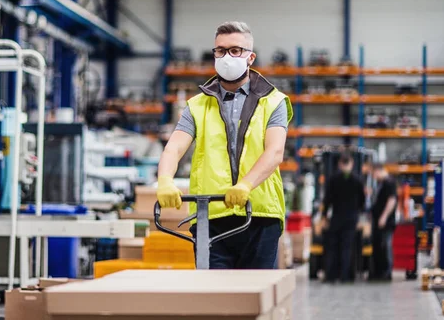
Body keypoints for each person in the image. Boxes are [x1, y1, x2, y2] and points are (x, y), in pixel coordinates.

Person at [155, 21, 293, 269]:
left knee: (254, 299)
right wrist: (165, 180)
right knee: (214, 300)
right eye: (220, 50)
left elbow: (275, 152)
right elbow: (173, 148)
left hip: (259, 215)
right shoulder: (197, 105)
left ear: (250, 57)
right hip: (212, 217)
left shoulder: (273, 102)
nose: (227, 56)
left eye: (235, 50)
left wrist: (245, 185)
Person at [322, 154, 365, 283]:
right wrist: (359, 215)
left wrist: (324, 216)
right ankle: (345, 276)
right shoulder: (357, 180)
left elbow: (327, 200)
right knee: (347, 247)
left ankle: (331, 275)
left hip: (337, 217)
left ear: (340, 164)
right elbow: (362, 201)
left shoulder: (333, 179)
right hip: (351, 218)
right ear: (351, 164)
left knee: (333, 246)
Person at [370, 163, 397, 281]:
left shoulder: (389, 182)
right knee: (379, 245)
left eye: (373, 174)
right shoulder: (381, 183)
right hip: (379, 221)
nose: (373, 176)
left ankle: (387, 273)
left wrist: (384, 217)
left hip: (386, 221)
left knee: (386, 245)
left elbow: (392, 200)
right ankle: (379, 272)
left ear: (378, 170)